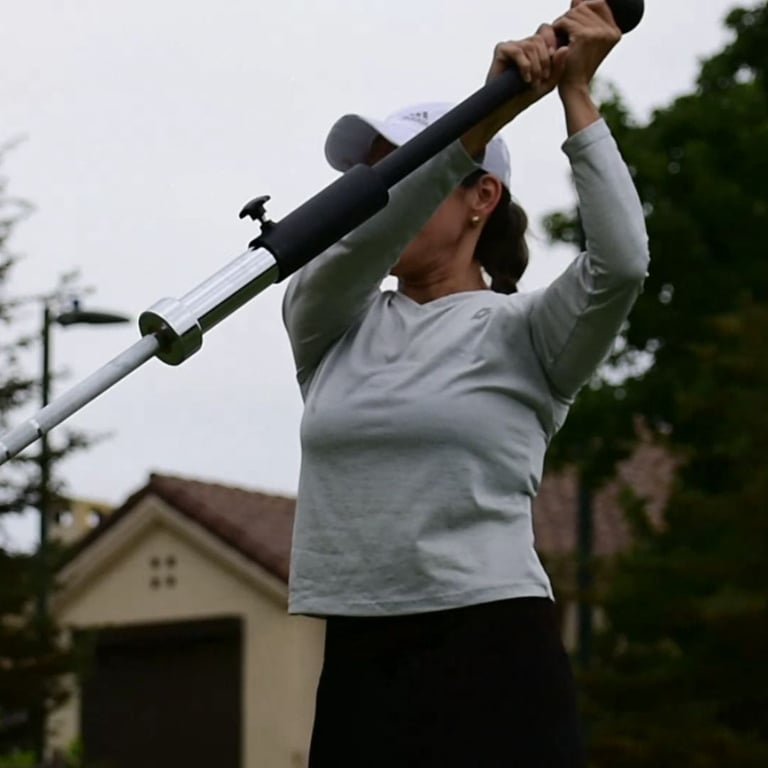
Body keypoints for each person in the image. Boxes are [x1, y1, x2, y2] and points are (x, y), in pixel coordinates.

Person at [281, 1, 649, 765]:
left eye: (402, 170)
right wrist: (476, 128)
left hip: (495, 650)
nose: (377, 191)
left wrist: (576, 93)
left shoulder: (527, 334)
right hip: (358, 660)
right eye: (369, 174)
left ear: (482, 197)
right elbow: (366, 233)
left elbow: (621, 264)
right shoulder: (326, 318)